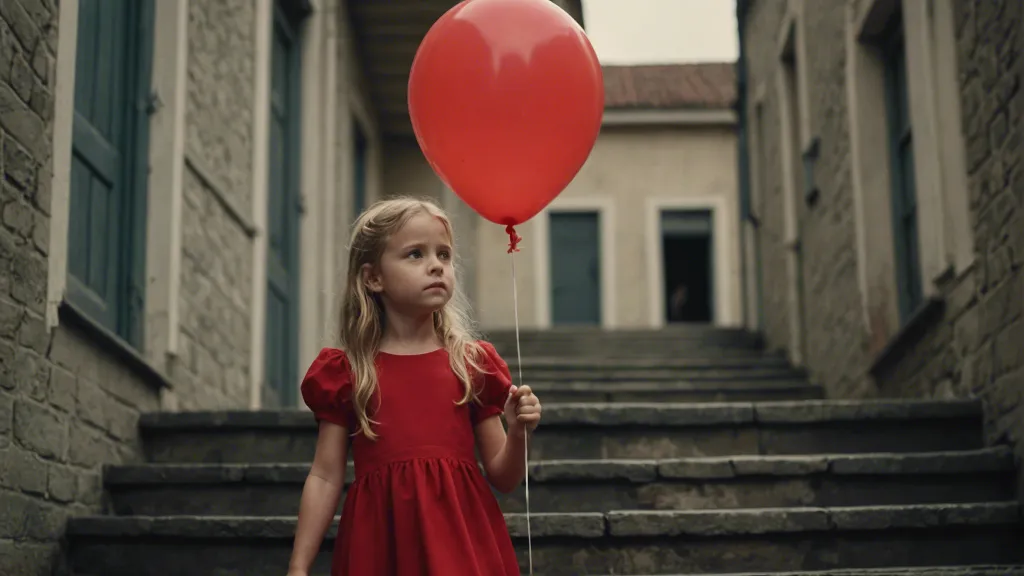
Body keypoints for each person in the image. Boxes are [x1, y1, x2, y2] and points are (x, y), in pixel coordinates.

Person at [286, 197, 542, 576]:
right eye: (415, 255)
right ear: (373, 278)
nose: (436, 265)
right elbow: (325, 476)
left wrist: (519, 431)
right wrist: (298, 566)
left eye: (444, 254)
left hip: (462, 542)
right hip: (380, 543)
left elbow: (503, 477)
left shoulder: (471, 364)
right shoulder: (348, 372)